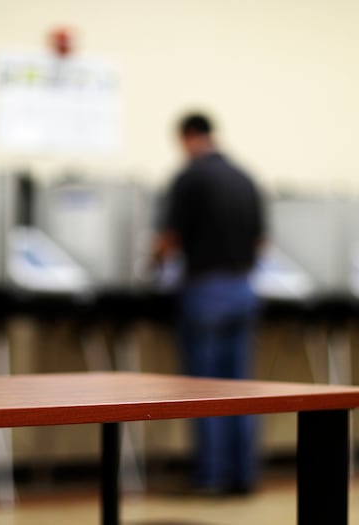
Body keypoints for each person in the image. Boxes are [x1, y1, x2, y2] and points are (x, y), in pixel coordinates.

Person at [153, 112, 267, 495]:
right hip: (243, 289)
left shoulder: (190, 178)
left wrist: (151, 267)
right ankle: (244, 475)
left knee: (205, 389)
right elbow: (261, 243)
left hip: (205, 292)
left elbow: (169, 239)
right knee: (239, 388)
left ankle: (213, 477)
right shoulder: (245, 178)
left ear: (186, 137)